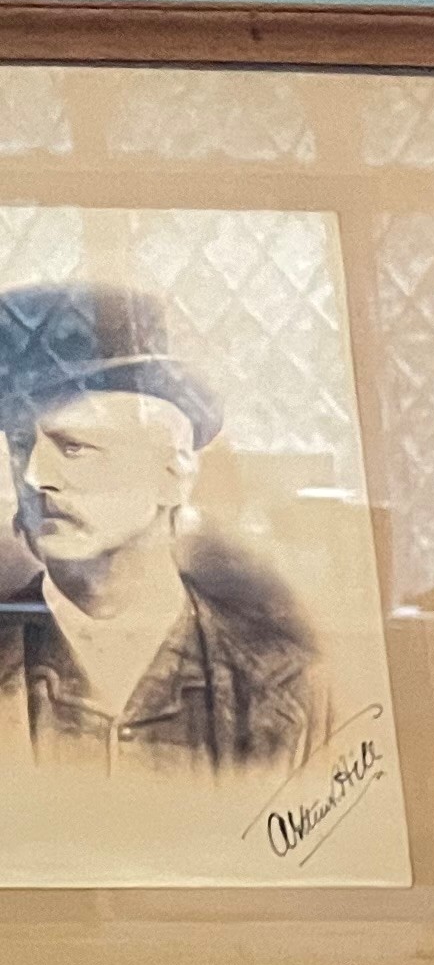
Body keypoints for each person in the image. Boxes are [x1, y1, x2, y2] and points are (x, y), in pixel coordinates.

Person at [0, 281, 324, 778]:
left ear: (171, 474)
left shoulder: (287, 689)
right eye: (22, 445)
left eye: (74, 447)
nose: (34, 476)